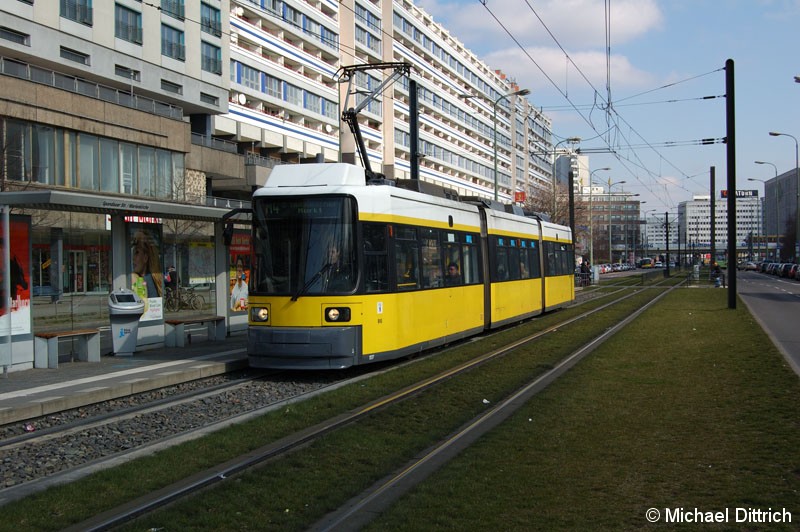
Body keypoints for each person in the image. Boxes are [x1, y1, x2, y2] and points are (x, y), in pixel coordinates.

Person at [131, 229, 163, 298]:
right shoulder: (152, 278)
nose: (133, 258)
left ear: (145, 257)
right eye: (133, 253)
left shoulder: (146, 279)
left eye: (137, 253)